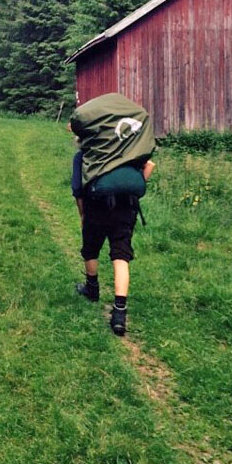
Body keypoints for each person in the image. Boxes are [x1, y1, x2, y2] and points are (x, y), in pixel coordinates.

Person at [71, 136, 155, 336]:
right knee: (121, 255)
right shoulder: (126, 151)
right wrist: (132, 187)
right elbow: (150, 164)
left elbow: (77, 189)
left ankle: (92, 289)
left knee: (91, 249)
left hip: (96, 206)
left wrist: (83, 214)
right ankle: (119, 314)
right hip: (126, 206)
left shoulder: (84, 155)